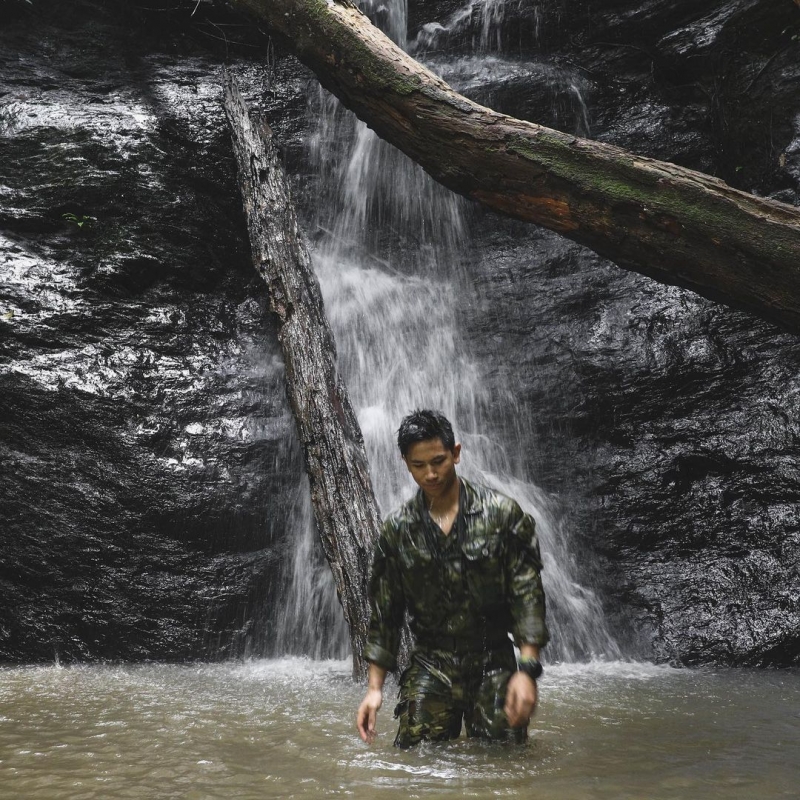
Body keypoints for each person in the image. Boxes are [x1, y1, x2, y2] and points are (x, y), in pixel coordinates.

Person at [356, 409, 549, 748]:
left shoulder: (502, 515)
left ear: (456, 453)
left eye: (439, 461)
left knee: (504, 764)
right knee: (415, 764)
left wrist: (527, 670)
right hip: (431, 662)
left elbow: (527, 595)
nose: (430, 474)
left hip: (492, 659)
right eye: (419, 465)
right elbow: (385, 614)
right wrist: (374, 690)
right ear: (405, 462)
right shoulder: (398, 530)